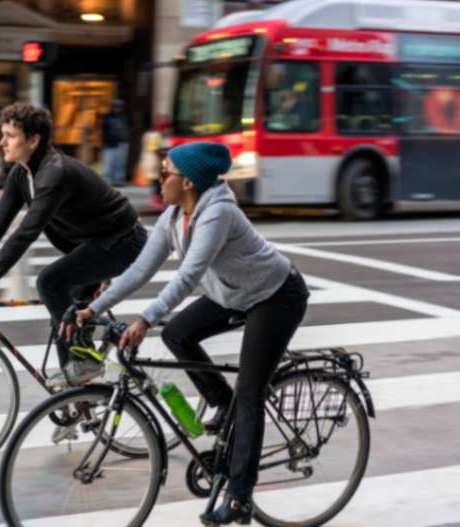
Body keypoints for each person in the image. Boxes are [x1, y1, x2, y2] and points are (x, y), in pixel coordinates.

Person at [70, 142, 310, 525]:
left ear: (189, 182)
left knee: (250, 392)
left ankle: (240, 498)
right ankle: (222, 403)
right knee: (178, 334)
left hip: (275, 296)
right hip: (230, 294)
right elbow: (139, 270)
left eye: (166, 173)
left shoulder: (217, 213)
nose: (159, 178)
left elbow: (188, 276)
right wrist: (93, 307)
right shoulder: (173, 216)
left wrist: (146, 318)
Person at [0, 102, 147, 388]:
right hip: (90, 243)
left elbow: (26, 232)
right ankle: (80, 398)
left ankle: (84, 365)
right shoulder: (23, 173)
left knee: (50, 282)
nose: (2, 142)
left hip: (121, 241)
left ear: (33, 140)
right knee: (61, 314)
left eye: (10, 135)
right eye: (3, 134)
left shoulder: (54, 173)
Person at [100, 99, 129, 186]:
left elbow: (127, 129)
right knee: (109, 163)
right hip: (110, 143)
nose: (118, 109)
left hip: (122, 142)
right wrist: (105, 142)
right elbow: (104, 131)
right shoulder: (107, 118)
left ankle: (119, 180)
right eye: (116, 107)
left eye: (120, 107)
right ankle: (108, 180)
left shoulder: (124, 117)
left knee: (120, 163)